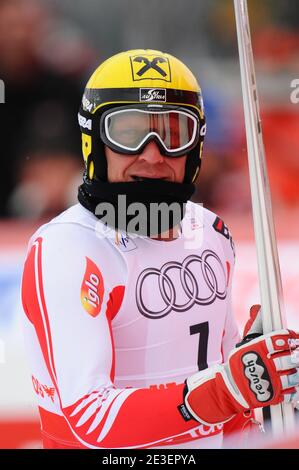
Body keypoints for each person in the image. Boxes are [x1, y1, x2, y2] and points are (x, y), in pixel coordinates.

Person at [21, 49, 299, 449]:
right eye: (129, 134)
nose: (152, 154)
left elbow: (228, 411)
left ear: (196, 147)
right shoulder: (67, 249)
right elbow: (87, 419)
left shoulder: (211, 232)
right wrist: (224, 390)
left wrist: (258, 386)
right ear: (95, 141)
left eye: (172, 134)